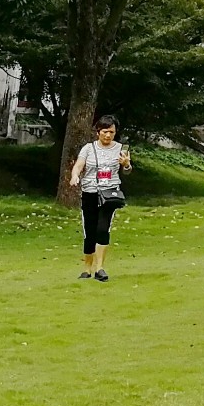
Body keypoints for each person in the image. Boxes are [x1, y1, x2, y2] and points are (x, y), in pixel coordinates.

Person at [69, 114, 131, 281]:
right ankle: (87, 268)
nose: (108, 135)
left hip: (109, 193)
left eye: (111, 132)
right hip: (90, 193)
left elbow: (127, 169)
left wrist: (126, 165)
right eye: (105, 131)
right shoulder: (88, 148)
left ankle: (100, 268)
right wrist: (75, 176)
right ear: (98, 132)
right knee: (90, 231)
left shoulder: (121, 149)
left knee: (103, 229)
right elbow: (79, 166)